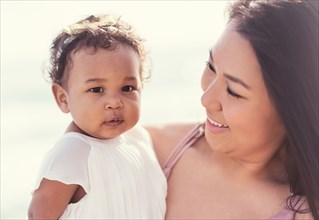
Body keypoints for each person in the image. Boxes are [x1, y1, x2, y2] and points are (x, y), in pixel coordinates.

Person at [146, 0, 319, 219]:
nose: (206, 99)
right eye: (211, 66)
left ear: (291, 109)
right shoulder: (151, 151)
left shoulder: (306, 212)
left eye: (233, 91)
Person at [28, 14, 166, 219]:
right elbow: (38, 216)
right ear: (63, 98)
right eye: (97, 89)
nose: (115, 102)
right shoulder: (73, 152)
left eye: (127, 88)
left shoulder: (137, 139)